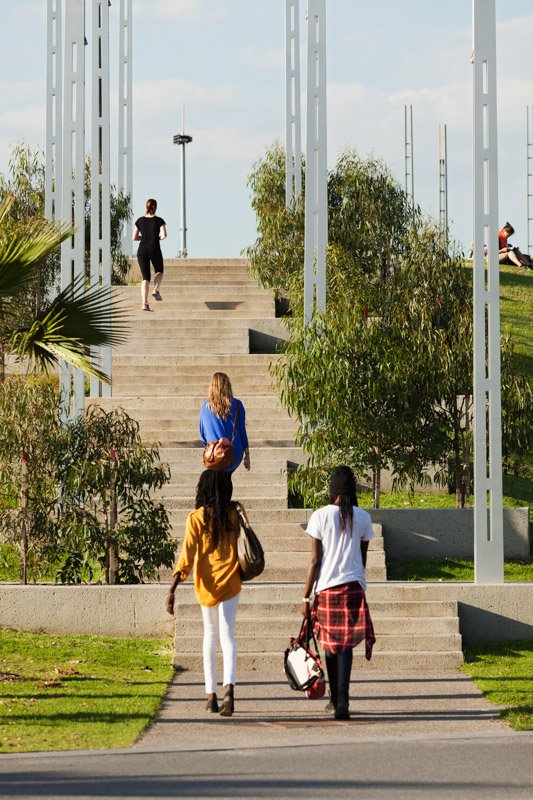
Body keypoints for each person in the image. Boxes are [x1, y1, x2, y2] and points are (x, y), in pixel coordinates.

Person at [165, 470, 244, 717]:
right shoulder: (234, 514)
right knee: (228, 636)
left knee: (210, 637)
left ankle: (211, 695)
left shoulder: (196, 518)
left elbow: (187, 557)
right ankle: (229, 690)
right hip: (231, 581)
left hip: (207, 585)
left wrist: (172, 589)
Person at [301, 465, 376, 721]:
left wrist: (305, 597)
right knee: (345, 646)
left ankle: (334, 698)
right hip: (353, 587)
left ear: (332, 490)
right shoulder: (363, 518)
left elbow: (314, 561)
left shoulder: (319, 516)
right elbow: (363, 558)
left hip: (327, 588)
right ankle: (343, 698)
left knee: (329, 645)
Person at [199, 372, 251, 473]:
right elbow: (242, 432)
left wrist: (211, 446)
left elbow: (202, 434)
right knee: (227, 473)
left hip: (214, 453)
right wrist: (247, 455)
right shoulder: (237, 405)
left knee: (217, 468)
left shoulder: (205, 406)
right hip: (233, 453)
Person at [132, 198, 167, 311]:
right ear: (155, 207)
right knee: (159, 271)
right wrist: (155, 238)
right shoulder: (159, 221)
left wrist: (144, 238)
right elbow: (164, 235)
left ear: (146, 207)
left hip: (142, 251)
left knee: (145, 278)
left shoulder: (140, 221)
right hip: (154, 248)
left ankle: (145, 303)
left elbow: (134, 237)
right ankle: (156, 289)